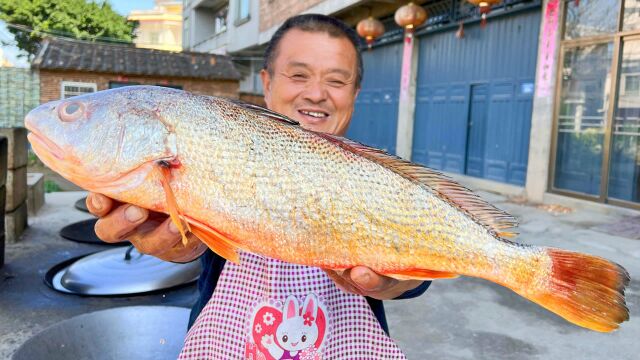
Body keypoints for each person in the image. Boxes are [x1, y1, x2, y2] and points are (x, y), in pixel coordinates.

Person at [87, 14, 430, 358]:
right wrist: (173, 239)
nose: (316, 93)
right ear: (266, 84)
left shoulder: (380, 179)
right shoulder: (219, 155)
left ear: (355, 93)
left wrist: (404, 280)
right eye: (298, 75)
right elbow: (194, 246)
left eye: (337, 81)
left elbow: (423, 255)